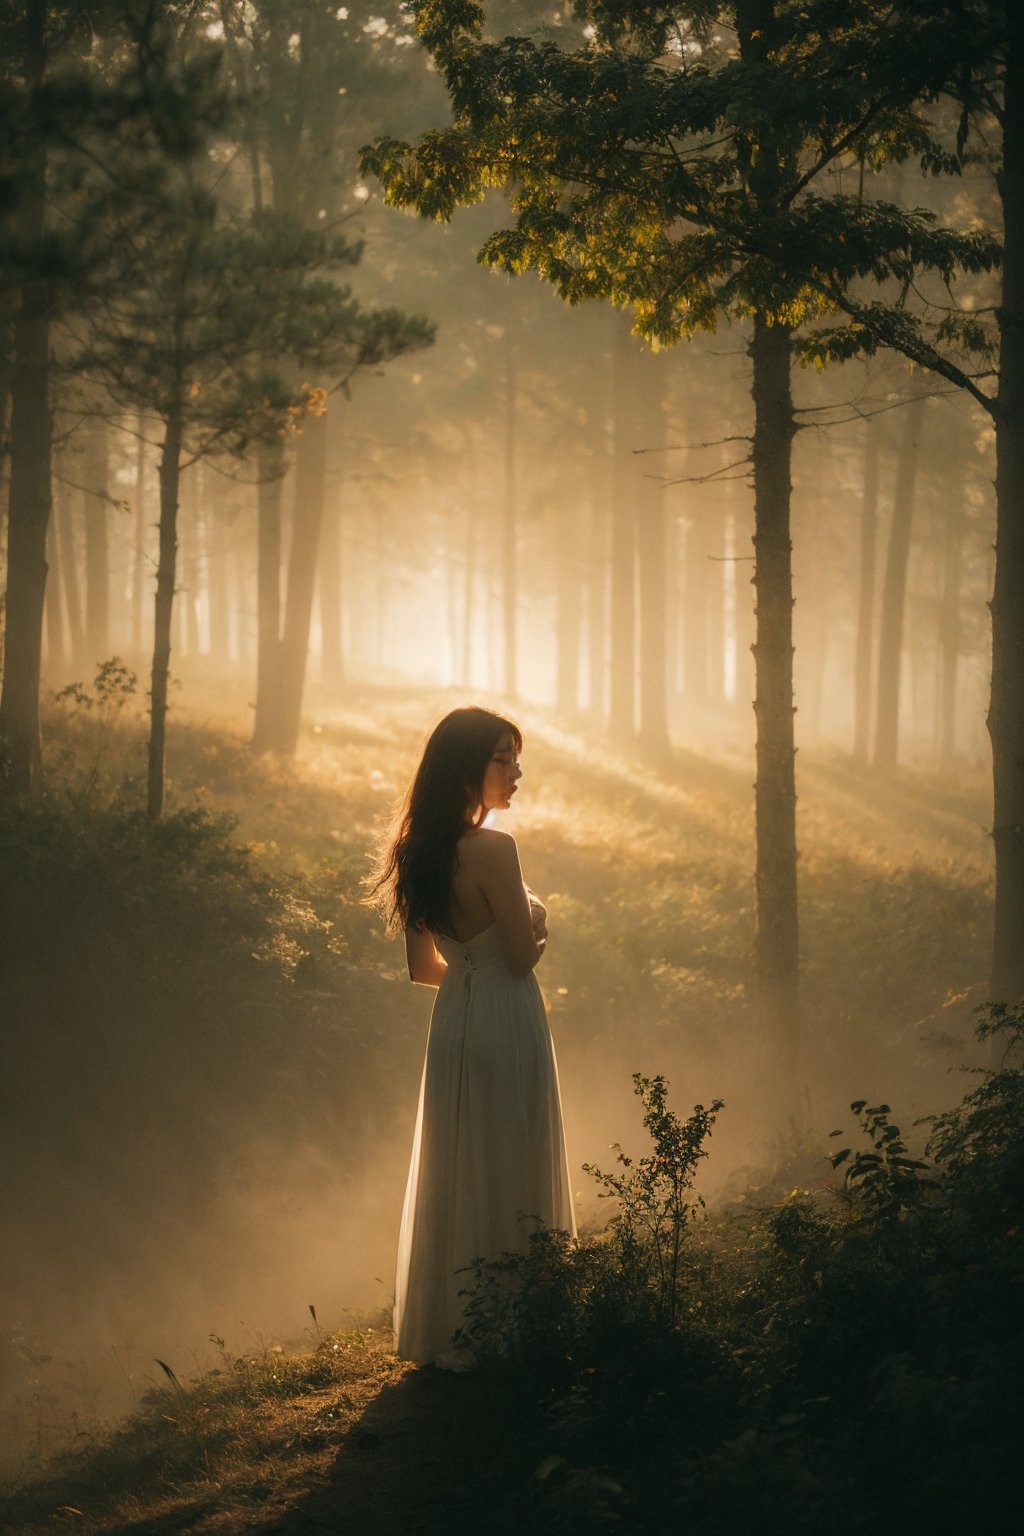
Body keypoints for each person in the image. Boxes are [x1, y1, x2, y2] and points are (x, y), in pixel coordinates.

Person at [368, 705, 575, 1368]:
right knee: (512, 1149)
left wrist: (469, 978)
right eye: (502, 759)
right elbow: (520, 958)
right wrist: (540, 929)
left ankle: (453, 1328)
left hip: (455, 1020)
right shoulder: (494, 849)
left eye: (516, 759)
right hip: (508, 1016)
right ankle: (519, 1317)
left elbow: (422, 968)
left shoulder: (417, 851)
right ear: (466, 767)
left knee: (460, 1161)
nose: (516, 773)